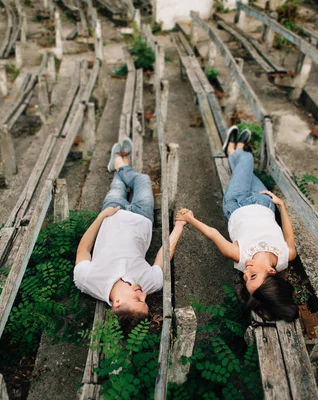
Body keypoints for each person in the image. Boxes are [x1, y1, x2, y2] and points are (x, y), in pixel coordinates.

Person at [176, 126, 299, 322]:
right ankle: (233, 151)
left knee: (247, 162)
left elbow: (213, 234)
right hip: (264, 202)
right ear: (271, 272)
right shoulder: (286, 256)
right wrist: (281, 206)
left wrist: (190, 219)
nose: (246, 272)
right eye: (252, 276)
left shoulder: (240, 257)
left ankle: (236, 148)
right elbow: (289, 236)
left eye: (245, 278)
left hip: (237, 203)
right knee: (247, 171)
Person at [74, 139, 185, 332]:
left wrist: (101, 216)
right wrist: (180, 226)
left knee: (118, 186)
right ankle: (121, 164)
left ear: (116, 303)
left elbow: (83, 249)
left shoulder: (87, 280)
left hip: (111, 213)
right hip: (142, 217)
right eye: (144, 301)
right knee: (142, 180)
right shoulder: (149, 284)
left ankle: (118, 165)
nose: (143, 295)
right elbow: (163, 257)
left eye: (137, 299)